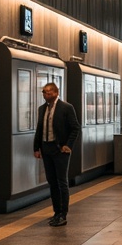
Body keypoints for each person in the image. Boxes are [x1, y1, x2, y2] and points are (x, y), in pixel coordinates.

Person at [33, 82, 80, 227]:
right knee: (52, 181)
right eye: (44, 92)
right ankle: (56, 212)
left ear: (55, 93)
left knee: (62, 182)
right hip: (46, 149)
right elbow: (39, 130)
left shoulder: (66, 108)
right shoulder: (42, 109)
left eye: (48, 92)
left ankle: (63, 214)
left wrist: (68, 145)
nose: (45, 95)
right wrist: (36, 148)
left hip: (60, 150)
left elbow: (75, 128)